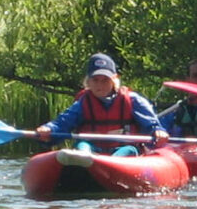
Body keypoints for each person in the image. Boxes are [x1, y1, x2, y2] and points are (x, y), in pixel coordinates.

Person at [35, 53, 167, 153]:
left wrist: (158, 131)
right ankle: (84, 165)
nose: (100, 85)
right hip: (92, 148)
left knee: (128, 151)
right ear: (88, 82)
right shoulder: (83, 103)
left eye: (105, 80)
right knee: (82, 147)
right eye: (95, 80)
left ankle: (110, 167)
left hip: (124, 148)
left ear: (114, 81)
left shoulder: (133, 100)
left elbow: (152, 124)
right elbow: (62, 123)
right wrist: (49, 129)